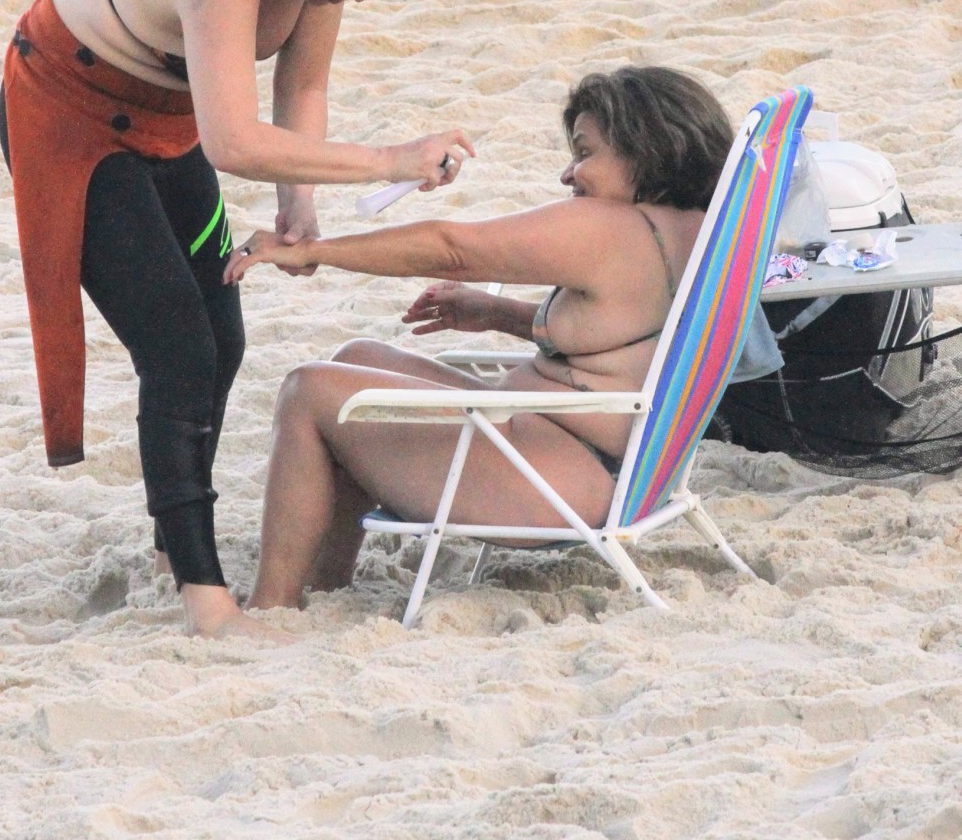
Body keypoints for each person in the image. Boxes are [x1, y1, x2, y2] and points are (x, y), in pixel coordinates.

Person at [0, 0, 473, 638]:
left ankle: (167, 542)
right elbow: (235, 143)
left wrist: (302, 208)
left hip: (165, 116)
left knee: (222, 329)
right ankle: (202, 594)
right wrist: (390, 160)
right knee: (177, 346)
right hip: (68, 111)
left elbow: (303, 84)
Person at [226, 66, 731, 614]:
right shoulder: (692, 229)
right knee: (357, 360)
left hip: (553, 480)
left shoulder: (616, 228)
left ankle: (269, 607)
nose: (569, 174)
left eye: (585, 153)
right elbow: (618, 334)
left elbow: (454, 249)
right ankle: (326, 585)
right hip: (593, 459)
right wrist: (496, 313)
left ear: (645, 149)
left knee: (309, 391)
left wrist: (310, 252)